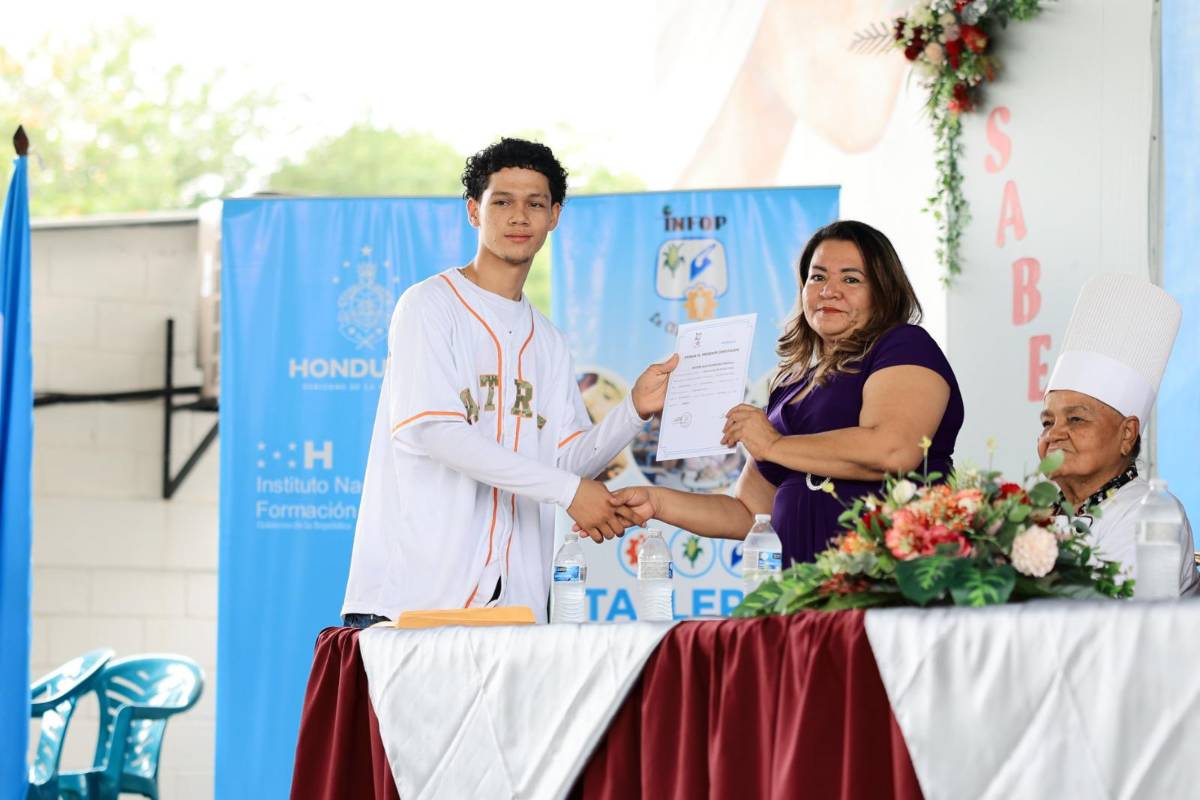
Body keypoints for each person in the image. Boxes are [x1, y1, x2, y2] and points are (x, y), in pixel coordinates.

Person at [341, 138, 678, 626]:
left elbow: (566, 459)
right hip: (416, 597)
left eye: (535, 204)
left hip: (515, 603)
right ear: (474, 211)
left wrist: (632, 411)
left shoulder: (548, 340)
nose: (519, 216)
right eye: (503, 201)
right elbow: (434, 431)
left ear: (554, 216)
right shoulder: (429, 306)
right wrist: (568, 492)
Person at [610, 220, 963, 565]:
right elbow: (749, 513)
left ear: (883, 291)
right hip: (799, 590)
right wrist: (656, 503)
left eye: (851, 279)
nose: (829, 290)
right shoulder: (790, 385)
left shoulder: (904, 345)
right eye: (818, 277)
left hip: (883, 578)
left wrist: (774, 445)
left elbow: (894, 449)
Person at [1039, 273, 1199, 595]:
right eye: (1047, 423)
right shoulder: (1036, 514)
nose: (1054, 434)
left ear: (1127, 434)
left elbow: (1120, 626)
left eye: (1076, 420)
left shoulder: (1150, 513)